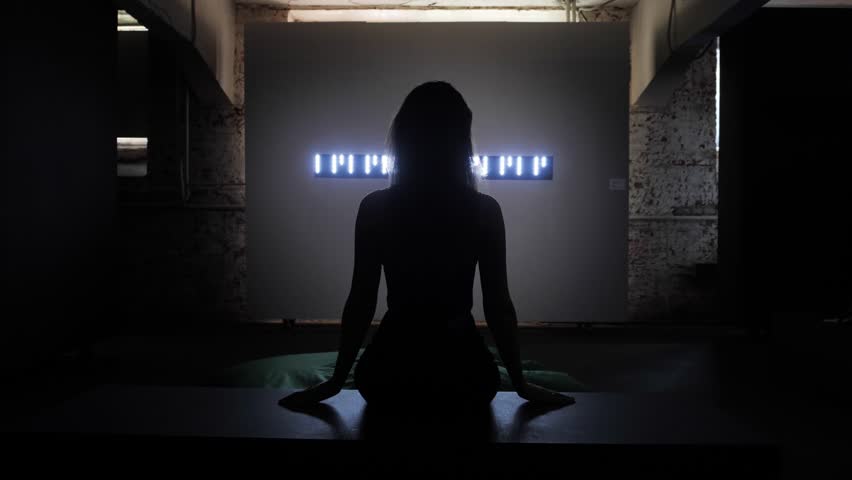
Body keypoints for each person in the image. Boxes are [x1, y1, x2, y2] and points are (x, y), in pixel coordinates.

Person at [279, 81, 574, 412]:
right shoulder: (484, 211)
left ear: (404, 137)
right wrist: (519, 383)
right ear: (461, 140)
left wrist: (336, 381)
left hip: (388, 373)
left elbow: (361, 300)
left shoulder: (375, 208)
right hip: (465, 374)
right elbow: (498, 306)